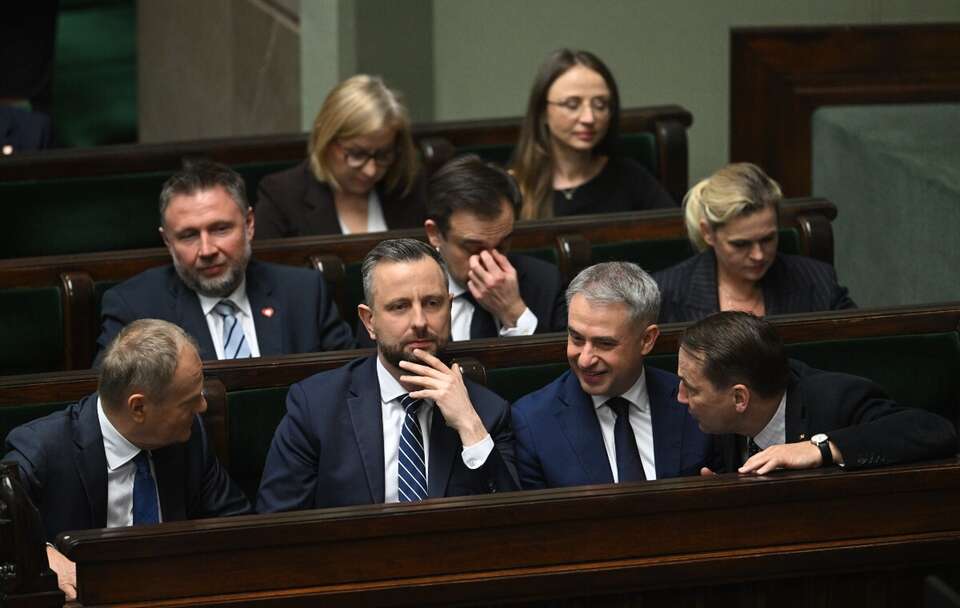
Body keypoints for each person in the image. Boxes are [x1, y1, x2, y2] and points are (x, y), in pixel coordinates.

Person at [256, 239, 518, 512]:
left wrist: (469, 426)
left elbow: (512, 522)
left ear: (449, 308)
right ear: (370, 321)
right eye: (399, 307)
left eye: (432, 303)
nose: (419, 322)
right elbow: (277, 523)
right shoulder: (316, 407)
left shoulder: (487, 411)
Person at [3, 319, 252, 600]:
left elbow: (236, 526)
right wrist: (43, 555)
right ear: (138, 407)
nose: (203, 407)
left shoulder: (190, 438)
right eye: (188, 402)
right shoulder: (44, 448)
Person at [95, 160, 354, 363]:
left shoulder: (304, 293)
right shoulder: (134, 308)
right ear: (167, 241)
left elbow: (350, 384)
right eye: (188, 235)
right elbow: (110, 404)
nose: (207, 250)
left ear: (249, 225)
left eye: (220, 229)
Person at [676, 311, 957, 475]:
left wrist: (822, 448)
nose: (680, 397)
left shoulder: (837, 398)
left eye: (691, 388)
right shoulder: (714, 422)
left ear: (739, 398)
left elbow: (933, 430)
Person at [512, 262, 712, 489]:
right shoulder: (533, 422)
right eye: (576, 338)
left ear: (647, 340)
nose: (585, 359)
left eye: (604, 343)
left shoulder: (693, 403)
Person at [355, 154, 566, 345]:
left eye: (502, 245)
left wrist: (513, 312)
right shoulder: (392, 293)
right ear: (435, 233)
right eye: (473, 248)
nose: (488, 260)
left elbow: (559, 378)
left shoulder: (545, 283)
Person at [654, 162, 855, 323]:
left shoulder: (817, 281)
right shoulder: (666, 293)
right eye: (740, 244)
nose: (758, 255)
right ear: (708, 233)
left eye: (768, 239)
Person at [510, 48, 675, 220]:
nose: (589, 118)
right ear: (542, 111)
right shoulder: (513, 188)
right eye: (572, 104)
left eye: (600, 105)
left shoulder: (631, 178)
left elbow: (675, 236)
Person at [255, 74, 426, 237]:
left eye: (383, 154)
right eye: (357, 154)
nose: (371, 170)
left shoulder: (410, 188)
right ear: (326, 139)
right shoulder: (282, 196)